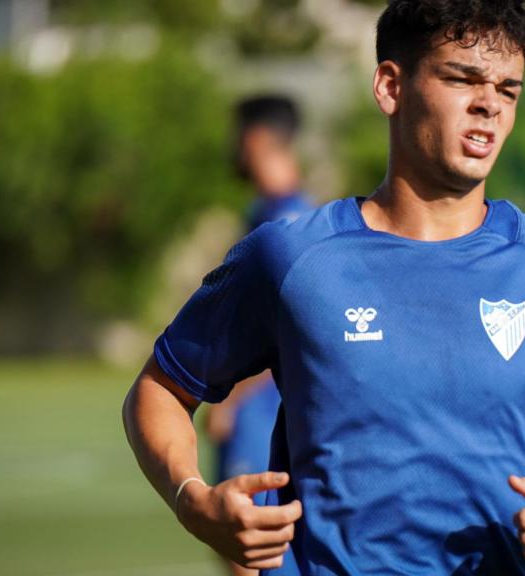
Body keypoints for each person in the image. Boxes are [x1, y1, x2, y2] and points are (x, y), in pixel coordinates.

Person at [123, 2, 525, 574]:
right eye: (462, 78)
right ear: (389, 86)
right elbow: (158, 391)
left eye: (508, 89)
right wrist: (193, 501)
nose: (489, 105)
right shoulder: (290, 256)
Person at [205, 95, 313, 576]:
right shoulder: (263, 211)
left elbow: (289, 330)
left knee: (249, 551)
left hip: (264, 417)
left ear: (257, 139)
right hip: (252, 413)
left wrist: (229, 401)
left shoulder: (289, 223)